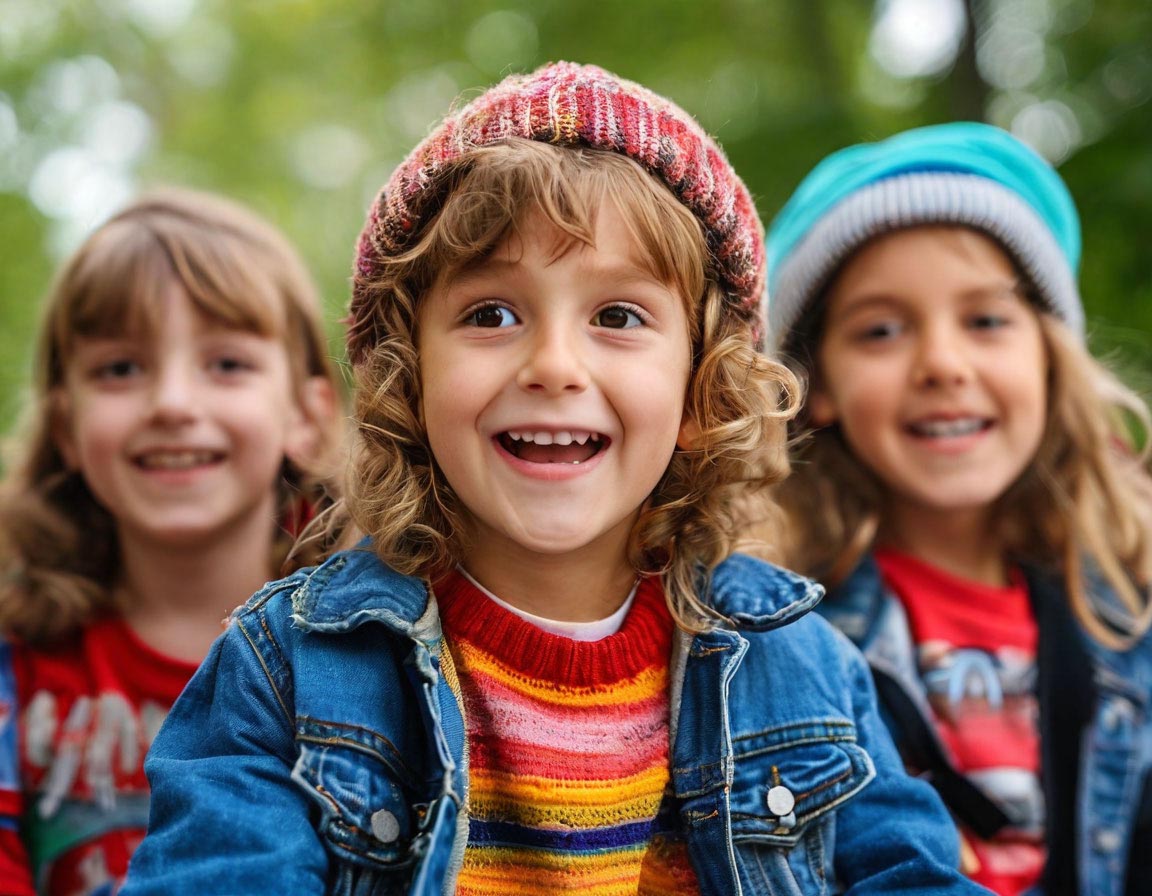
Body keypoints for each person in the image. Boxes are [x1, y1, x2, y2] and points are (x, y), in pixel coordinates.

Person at [121, 63, 985, 896]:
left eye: (617, 316)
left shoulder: (801, 663)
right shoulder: (284, 674)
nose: (554, 365)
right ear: (409, 378)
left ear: (701, 389)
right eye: (491, 314)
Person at [761, 122, 1152, 896]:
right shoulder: (781, 630)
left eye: (985, 320)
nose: (943, 364)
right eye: (881, 330)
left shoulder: (1126, 614)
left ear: (1046, 358)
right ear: (822, 386)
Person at [0, 187, 344, 895]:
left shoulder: (370, 652)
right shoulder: (17, 656)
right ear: (66, 426)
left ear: (305, 416)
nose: (173, 405)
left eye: (226, 365)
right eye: (120, 369)